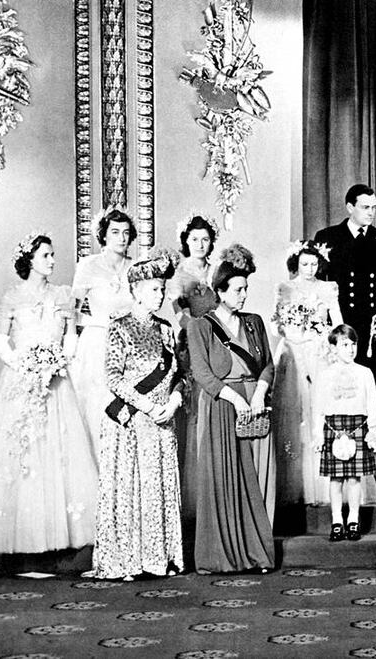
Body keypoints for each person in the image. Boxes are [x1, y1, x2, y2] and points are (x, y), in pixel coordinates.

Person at [0, 232, 97, 553]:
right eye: (46, 255)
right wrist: (24, 364)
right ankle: (20, 537)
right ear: (29, 260)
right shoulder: (12, 297)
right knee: (23, 451)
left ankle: (59, 537)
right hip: (21, 381)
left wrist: (60, 360)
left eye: (53, 254)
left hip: (56, 382)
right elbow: (1, 340)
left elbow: (71, 337)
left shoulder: (62, 296)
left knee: (58, 453)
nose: (53, 260)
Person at [89, 248, 185, 580]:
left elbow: (179, 374)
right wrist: (148, 407)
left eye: (161, 289)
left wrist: (173, 402)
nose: (160, 295)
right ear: (136, 292)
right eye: (154, 289)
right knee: (130, 491)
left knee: (157, 490)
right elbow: (113, 378)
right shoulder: (120, 328)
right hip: (130, 422)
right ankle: (127, 561)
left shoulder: (165, 329)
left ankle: (160, 559)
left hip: (162, 423)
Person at [187, 244, 275, 573]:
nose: (243, 295)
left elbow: (267, 365)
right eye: (237, 290)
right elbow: (203, 374)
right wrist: (237, 399)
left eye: (246, 289)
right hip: (222, 407)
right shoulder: (200, 326)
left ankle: (255, 553)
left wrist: (258, 394)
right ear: (220, 291)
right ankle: (222, 557)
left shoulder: (254, 322)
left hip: (254, 403)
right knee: (224, 480)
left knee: (254, 482)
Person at [272, 240, 376, 505]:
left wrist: (330, 342)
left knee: (323, 409)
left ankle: (327, 482)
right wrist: (295, 334)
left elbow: (338, 321)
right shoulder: (284, 288)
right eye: (304, 264)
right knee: (296, 412)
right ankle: (295, 485)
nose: (309, 269)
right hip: (293, 353)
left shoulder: (327, 288)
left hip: (320, 352)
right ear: (296, 264)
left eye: (314, 264)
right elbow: (276, 325)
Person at [313, 183, 376, 426]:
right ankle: (334, 441)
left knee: (367, 382)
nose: (371, 213)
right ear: (350, 207)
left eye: (373, 207)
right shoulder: (327, 238)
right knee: (337, 384)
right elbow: (318, 283)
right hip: (338, 324)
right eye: (365, 207)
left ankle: (367, 443)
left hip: (370, 326)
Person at [167, 212, 219, 526]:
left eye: (204, 239)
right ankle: (192, 494)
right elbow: (178, 311)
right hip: (191, 342)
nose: (199, 244)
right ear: (185, 241)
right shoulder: (179, 273)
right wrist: (197, 333)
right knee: (193, 406)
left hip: (218, 343)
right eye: (194, 239)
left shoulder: (217, 270)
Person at [70, 209, 135, 457]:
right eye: (115, 232)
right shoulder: (88, 266)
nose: (121, 238)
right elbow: (71, 311)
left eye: (126, 233)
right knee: (96, 406)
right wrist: (97, 323)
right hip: (96, 344)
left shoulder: (136, 267)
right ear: (104, 236)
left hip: (129, 346)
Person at [312, 325, 376, 541]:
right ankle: (336, 521)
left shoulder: (364, 373)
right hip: (333, 426)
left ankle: (353, 520)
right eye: (344, 345)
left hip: (357, 426)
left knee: (353, 478)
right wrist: (318, 435)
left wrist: (373, 433)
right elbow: (319, 407)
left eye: (353, 344)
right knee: (335, 479)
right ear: (333, 348)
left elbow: (372, 403)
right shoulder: (324, 375)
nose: (351, 349)